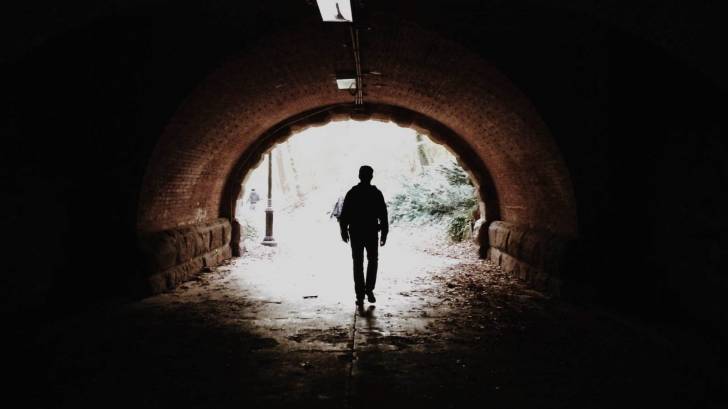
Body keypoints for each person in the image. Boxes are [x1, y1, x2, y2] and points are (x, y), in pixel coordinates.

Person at [339, 165, 389, 306]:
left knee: (358, 263)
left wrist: (343, 230)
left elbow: (344, 215)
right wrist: (384, 233)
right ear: (371, 176)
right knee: (373, 261)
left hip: (356, 232)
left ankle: (360, 294)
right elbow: (383, 215)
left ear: (359, 176)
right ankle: (369, 290)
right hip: (372, 232)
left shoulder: (352, 193)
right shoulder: (376, 193)